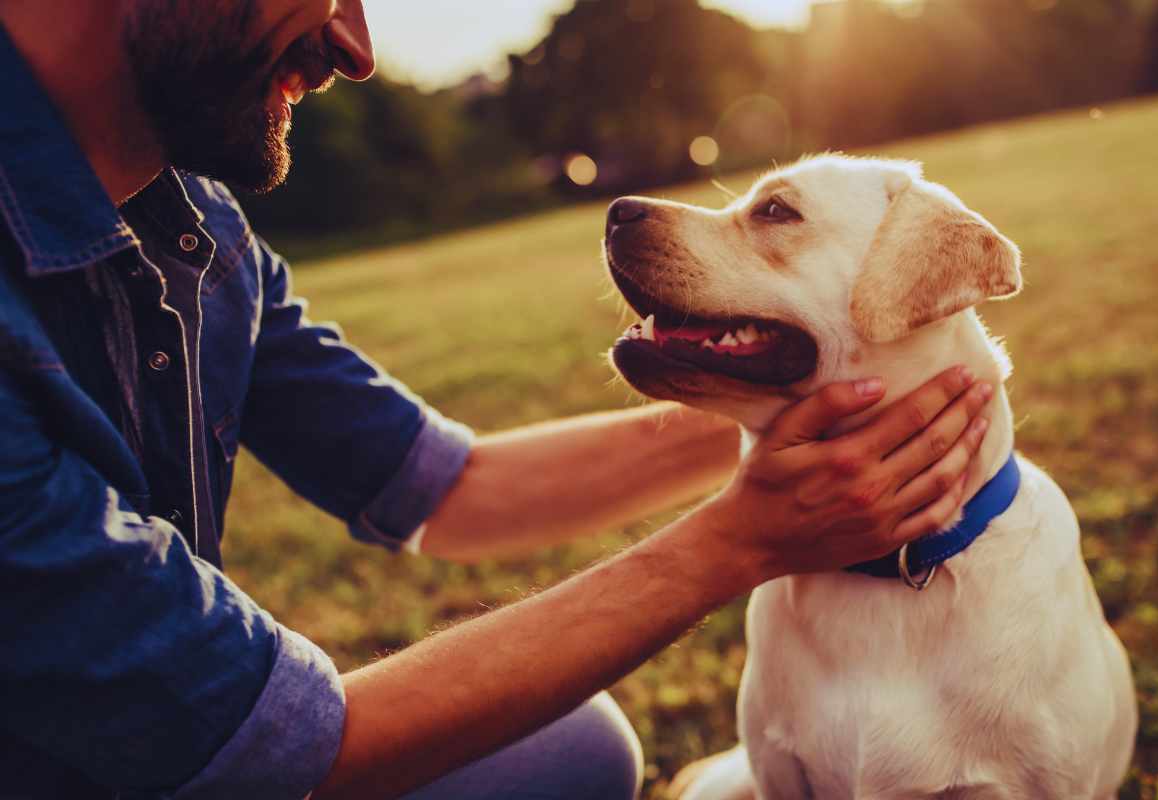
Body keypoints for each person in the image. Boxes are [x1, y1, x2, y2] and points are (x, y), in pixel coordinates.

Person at [0, 2, 993, 799]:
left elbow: (452, 486)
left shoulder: (198, 233)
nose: (355, 45)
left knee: (575, 751)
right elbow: (262, 747)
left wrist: (814, 402)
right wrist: (739, 540)